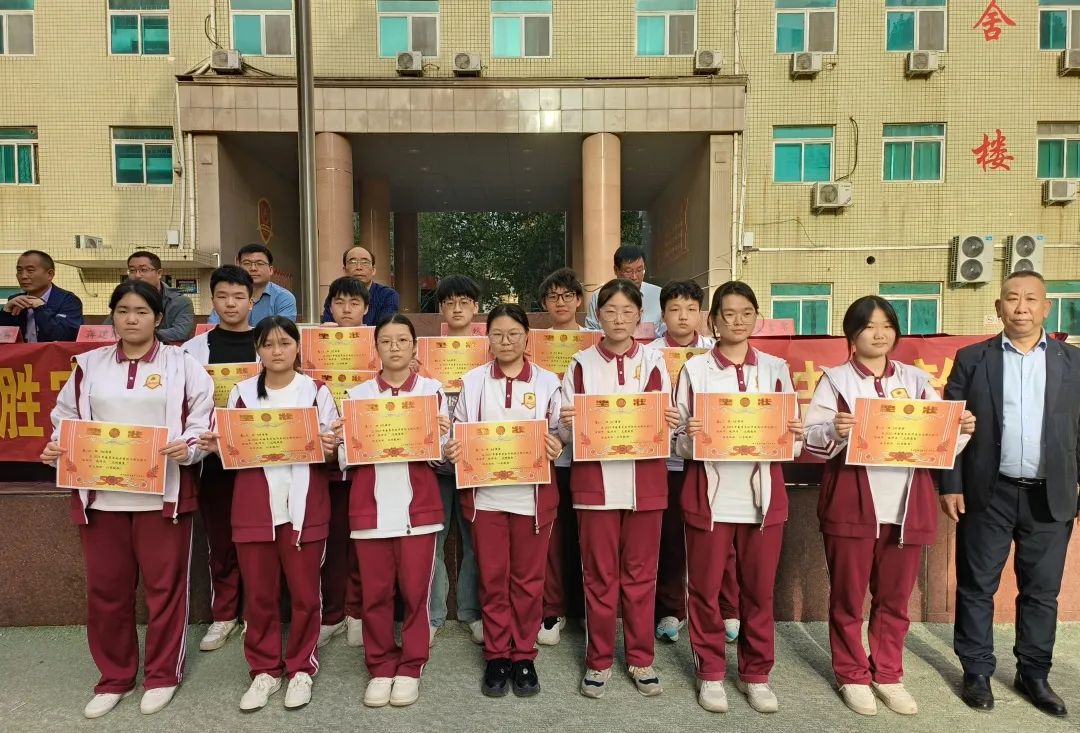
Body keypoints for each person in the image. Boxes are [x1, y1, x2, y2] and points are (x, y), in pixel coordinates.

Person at [41, 280, 214, 719]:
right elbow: (65, 418)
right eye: (123, 311)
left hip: (162, 495)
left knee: (165, 590)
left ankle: (162, 675)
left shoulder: (183, 365)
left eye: (141, 311)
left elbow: (202, 422)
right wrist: (58, 445)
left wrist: (190, 447)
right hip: (102, 498)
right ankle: (115, 677)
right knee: (106, 591)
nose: (131, 319)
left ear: (158, 318)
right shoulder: (89, 365)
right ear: (112, 317)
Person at [804, 296, 975, 717]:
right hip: (852, 501)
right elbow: (812, 439)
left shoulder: (916, 380)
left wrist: (961, 429)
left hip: (906, 503)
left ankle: (888, 673)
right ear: (852, 334)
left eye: (886, 325)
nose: (879, 334)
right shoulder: (836, 381)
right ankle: (851, 674)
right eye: (868, 326)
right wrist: (835, 430)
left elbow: (939, 443)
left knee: (895, 598)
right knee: (848, 597)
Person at [942, 271, 1080, 718]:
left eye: (1031, 299)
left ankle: (1034, 674)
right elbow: (950, 425)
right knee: (977, 586)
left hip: (1050, 495)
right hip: (988, 491)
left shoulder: (1073, 362)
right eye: (1012, 299)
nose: (1021, 307)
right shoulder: (972, 359)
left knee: (1042, 591)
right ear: (998, 307)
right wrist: (951, 484)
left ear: (1046, 307)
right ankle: (977, 671)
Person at [198, 317, 340, 713]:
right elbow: (232, 450)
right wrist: (218, 446)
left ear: (298, 347)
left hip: (304, 505)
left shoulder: (316, 391)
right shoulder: (241, 393)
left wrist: (331, 446)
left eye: (284, 343)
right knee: (259, 596)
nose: (277, 351)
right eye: (268, 344)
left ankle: (301, 668)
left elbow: (332, 450)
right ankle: (264, 670)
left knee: (305, 594)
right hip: (254, 506)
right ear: (257, 350)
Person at [674, 281, 802, 714]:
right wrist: (690, 436)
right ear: (713, 320)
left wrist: (794, 436)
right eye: (728, 314)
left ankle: (756, 674)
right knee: (705, 591)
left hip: (762, 499)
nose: (737, 321)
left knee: (759, 592)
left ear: (757, 318)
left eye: (746, 313)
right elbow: (677, 440)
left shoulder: (776, 369)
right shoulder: (695, 370)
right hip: (709, 497)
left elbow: (793, 443)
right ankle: (710, 671)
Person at [559, 279, 680, 699]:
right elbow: (566, 428)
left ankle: (641, 659)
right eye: (610, 311)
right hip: (594, 483)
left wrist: (669, 420)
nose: (618, 319)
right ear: (598, 315)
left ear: (640, 316)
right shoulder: (580, 363)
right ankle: (599, 660)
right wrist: (569, 423)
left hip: (645, 482)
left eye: (628, 311)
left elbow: (662, 421)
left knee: (642, 575)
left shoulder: (655, 361)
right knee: (598, 576)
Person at [445, 304, 564, 698]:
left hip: (532, 499)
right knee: (493, 579)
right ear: (488, 339)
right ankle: (497, 654)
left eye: (514, 333)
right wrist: (454, 448)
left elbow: (560, 433)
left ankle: (524, 654)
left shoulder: (548, 382)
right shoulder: (473, 381)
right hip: (487, 499)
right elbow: (459, 430)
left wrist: (557, 443)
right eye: (498, 334)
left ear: (527, 336)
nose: (506, 341)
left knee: (528, 581)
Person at [332, 314, 451, 708]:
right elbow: (345, 457)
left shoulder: (432, 392)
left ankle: (412, 665)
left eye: (402, 340)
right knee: (376, 594)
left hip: (419, 507)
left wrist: (442, 435)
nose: (395, 347)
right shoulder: (357, 395)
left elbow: (441, 456)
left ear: (415, 346)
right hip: (371, 506)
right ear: (376, 348)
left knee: (416, 593)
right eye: (386, 341)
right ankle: (380, 665)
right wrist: (344, 440)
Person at [181, 266, 257, 652]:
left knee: (259, 540)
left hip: (259, 458)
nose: (231, 304)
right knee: (221, 540)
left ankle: (256, 613)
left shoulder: (270, 343)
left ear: (251, 301)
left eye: (238, 297)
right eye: (223, 296)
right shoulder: (192, 351)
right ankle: (224, 614)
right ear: (212, 301)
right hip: (213, 459)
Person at [642, 280, 716, 645]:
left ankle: (723, 610)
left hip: (710, 459)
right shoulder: (649, 355)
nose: (682, 316)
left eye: (690, 309)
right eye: (674, 309)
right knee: (670, 538)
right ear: (663, 314)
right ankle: (671, 610)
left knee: (715, 539)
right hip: (666, 460)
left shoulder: (715, 352)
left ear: (701, 313)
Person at [428, 275, 484, 645]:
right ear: (441, 309)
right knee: (434, 539)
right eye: (450, 302)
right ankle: (432, 615)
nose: (457, 308)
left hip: (476, 460)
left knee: (475, 539)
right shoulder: (425, 354)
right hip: (435, 462)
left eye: (464, 301)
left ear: (476, 307)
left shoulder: (490, 351)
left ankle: (471, 612)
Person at [318, 275, 371, 649]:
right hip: (326, 457)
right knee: (334, 541)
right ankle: (333, 613)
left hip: (369, 456)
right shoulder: (312, 345)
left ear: (366, 308)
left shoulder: (379, 343)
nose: (347, 309)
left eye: (354, 302)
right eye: (339, 302)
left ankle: (358, 611)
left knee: (364, 540)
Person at [535, 268, 587, 646]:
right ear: (544, 304)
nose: (561, 302)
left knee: (586, 538)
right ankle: (552, 609)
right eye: (553, 296)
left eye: (567, 295)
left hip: (588, 456)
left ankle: (584, 608)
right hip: (548, 456)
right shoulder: (533, 346)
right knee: (552, 540)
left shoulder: (596, 344)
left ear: (579, 300)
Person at [104, 251, 194, 343]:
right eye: (132, 270)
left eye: (144, 270)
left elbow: (180, 332)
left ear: (159, 273)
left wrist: (139, 333)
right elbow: (106, 330)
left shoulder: (181, 301)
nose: (137, 275)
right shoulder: (123, 298)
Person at [0, 249, 83, 341]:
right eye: (19, 271)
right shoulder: (16, 301)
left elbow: (65, 336)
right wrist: (5, 313)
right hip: (22, 350)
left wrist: (41, 308)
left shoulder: (68, 301)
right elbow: (5, 339)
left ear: (50, 274)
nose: (23, 276)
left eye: (30, 270)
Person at [584, 245, 664, 336]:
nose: (634, 277)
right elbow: (591, 333)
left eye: (639, 270)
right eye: (628, 271)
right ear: (616, 270)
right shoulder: (599, 296)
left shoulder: (658, 295)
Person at [209, 244, 296, 325]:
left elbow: (282, 332)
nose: (253, 268)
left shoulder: (284, 297)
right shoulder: (228, 296)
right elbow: (213, 327)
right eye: (247, 263)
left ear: (270, 270)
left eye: (260, 264)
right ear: (238, 267)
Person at [321, 246, 399, 326]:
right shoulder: (336, 295)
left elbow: (385, 328)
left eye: (365, 262)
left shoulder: (388, 295)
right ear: (345, 270)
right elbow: (328, 326)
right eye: (353, 262)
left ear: (373, 270)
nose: (359, 267)